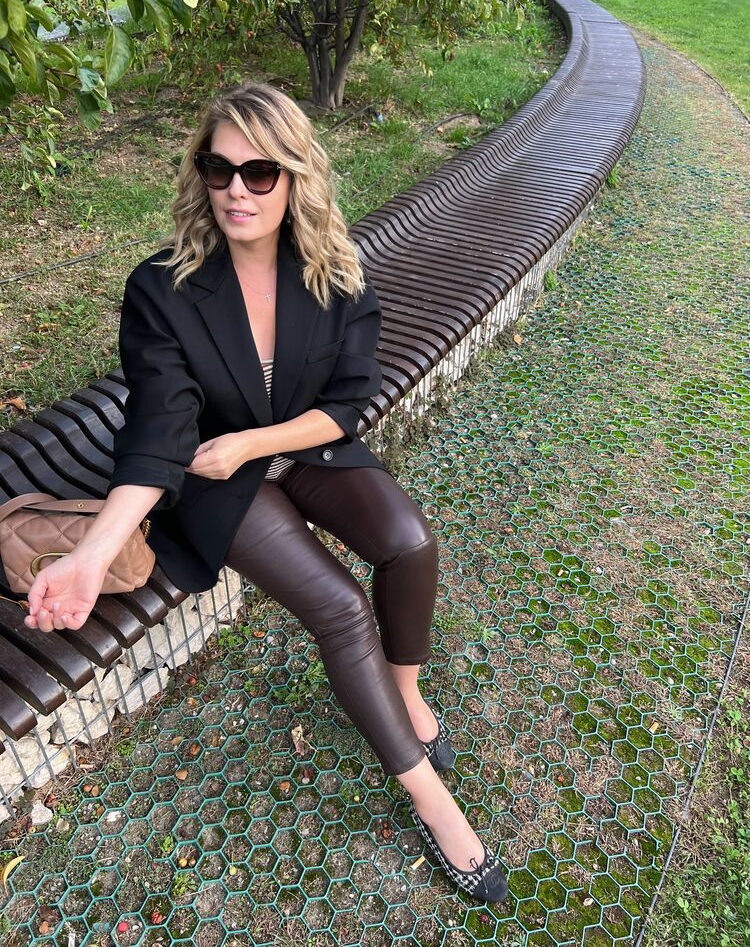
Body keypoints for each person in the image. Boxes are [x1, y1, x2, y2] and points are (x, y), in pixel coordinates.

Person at [22, 82, 508, 903]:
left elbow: (347, 402)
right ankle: (434, 801)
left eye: (259, 172)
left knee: (410, 544)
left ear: (295, 176)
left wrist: (257, 440)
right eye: (218, 169)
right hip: (212, 478)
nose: (236, 191)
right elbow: (159, 431)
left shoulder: (333, 272)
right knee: (341, 610)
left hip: (292, 443)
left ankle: (406, 695)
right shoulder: (164, 290)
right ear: (200, 174)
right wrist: (94, 553)